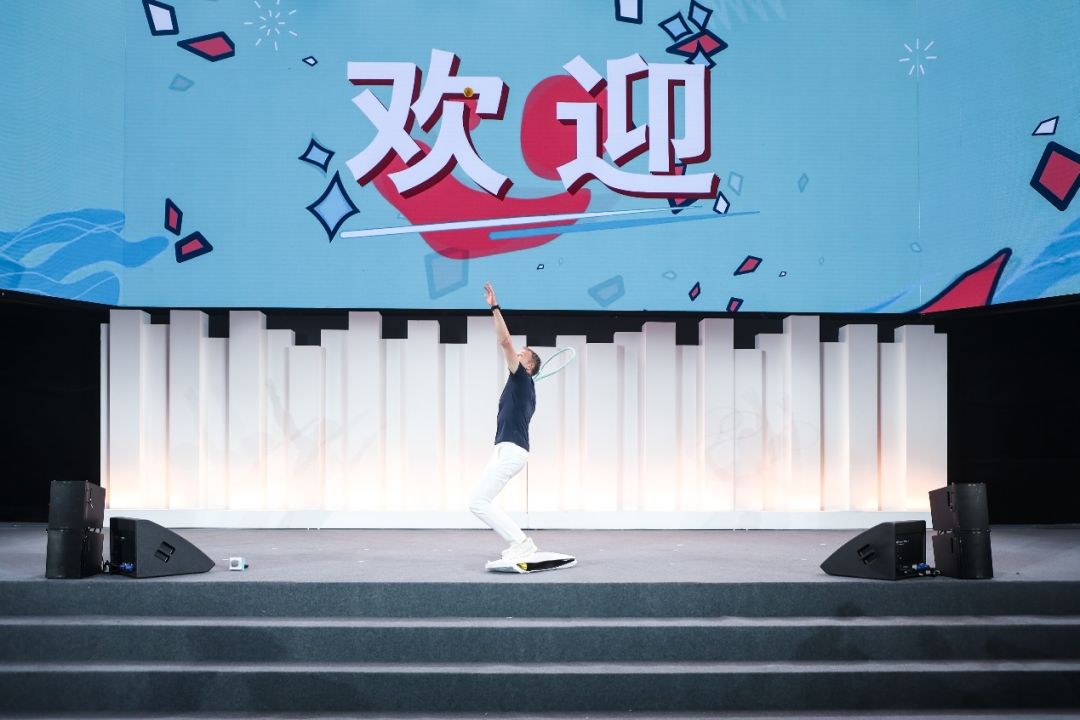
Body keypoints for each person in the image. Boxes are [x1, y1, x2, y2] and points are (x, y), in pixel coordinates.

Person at [469, 282, 542, 568]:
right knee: (477, 501)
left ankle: (522, 543)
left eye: (522, 355)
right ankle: (519, 543)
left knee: (479, 502)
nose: (516, 355)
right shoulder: (523, 385)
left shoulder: (522, 378)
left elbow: (504, 341)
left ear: (528, 367)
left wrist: (494, 307)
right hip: (505, 450)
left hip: (511, 451)